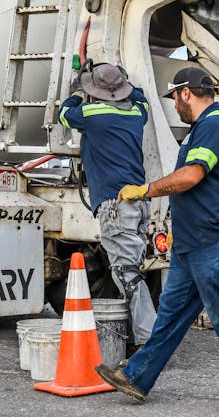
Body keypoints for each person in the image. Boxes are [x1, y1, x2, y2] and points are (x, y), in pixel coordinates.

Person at [95, 67, 219, 413]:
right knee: (170, 316)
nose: (175, 106)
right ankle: (137, 376)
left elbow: (192, 175)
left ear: (185, 93)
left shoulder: (215, 125)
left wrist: (146, 190)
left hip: (214, 242)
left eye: (174, 98)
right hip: (192, 244)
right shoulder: (201, 128)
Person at [58, 63, 156, 352]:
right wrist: (125, 81)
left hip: (115, 205)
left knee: (127, 273)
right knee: (133, 270)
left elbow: (64, 114)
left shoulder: (90, 114)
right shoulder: (137, 114)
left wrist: (77, 90)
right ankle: (137, 335)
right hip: (137, 205)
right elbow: (141, 98)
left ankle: (149, 341)